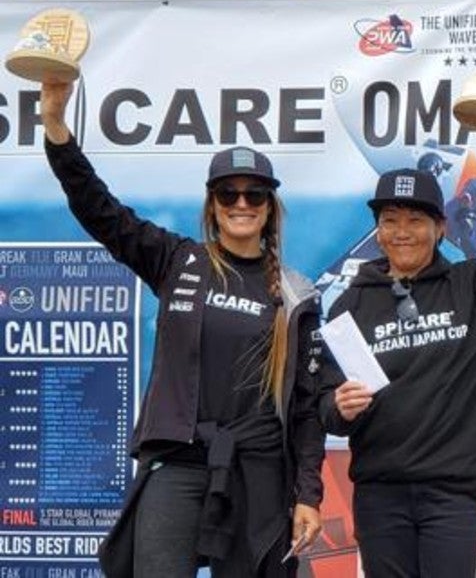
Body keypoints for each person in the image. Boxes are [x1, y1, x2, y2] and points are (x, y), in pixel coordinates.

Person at [39, 80, 325, 578]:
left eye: (254, 193)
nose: (242, 202)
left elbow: (305, 409)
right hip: (179, 462)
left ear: (269, 207)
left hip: (256, 472)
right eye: (228, 193)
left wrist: (308, 496)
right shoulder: (177, 261)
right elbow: (99, 211)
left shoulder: (295, 295)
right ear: (213, 205)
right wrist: (57, 128)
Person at [318, 127, 476, 577]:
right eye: (390, 220)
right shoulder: (352, 302)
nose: (402, 233)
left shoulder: (473, 287)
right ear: (379, 229)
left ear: (441, 227)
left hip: (450, 496)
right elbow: (327, 408)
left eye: (416, 221)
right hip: (380, 495)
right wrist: (338, 406)